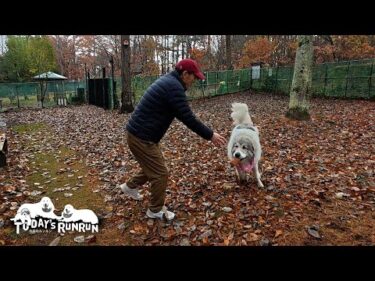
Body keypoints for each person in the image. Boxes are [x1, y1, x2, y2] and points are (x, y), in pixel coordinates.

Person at [120, 59, 226, 220]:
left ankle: (129, 187)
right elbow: (188, 118)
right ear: (185, 74)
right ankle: (155, 210)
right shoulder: (174, 88)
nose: (195, 81)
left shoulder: (169, 81)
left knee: (154, 167)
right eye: (194, 77)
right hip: (141, 137)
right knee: (160, 174)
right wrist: (210, 135)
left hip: (139, 134)